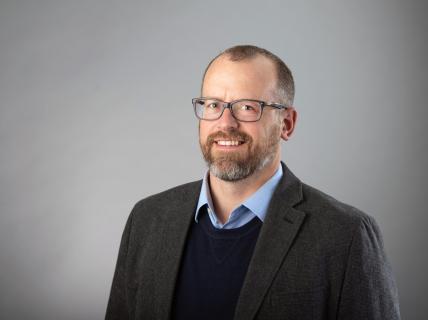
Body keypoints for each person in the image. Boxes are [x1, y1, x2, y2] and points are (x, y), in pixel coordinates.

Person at [105, 45, 401, 320]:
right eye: (212, 105)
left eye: (247, 107)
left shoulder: (345, 236)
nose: (225, 123)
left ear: (286, 124)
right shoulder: (147, 220)